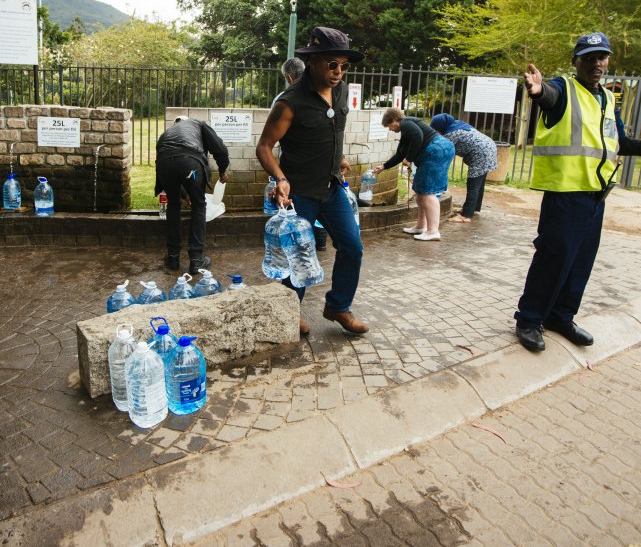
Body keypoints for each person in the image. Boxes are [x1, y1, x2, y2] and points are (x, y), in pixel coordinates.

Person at [515, 32, 641, 353]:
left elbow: (621, 141)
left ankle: (560, 316)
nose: (598, 63)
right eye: (590, 57)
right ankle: (529, 319)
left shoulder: (608, 99)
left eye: (603, 57)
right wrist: (539, 92)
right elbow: (549, 96)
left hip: (596, 196)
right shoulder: (564, 89)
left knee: (581, 260)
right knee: (554, 257)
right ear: (576, 61)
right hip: (566, 193)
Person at [256, 27, 368, 336]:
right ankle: (289, 313)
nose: (338, 71)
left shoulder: (342, 90)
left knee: (353, 247)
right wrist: (279, 178)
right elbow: (264, 146)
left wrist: (338, 158)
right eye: (332, 64)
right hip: (299, 193)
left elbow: (333, 130)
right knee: (297, 254)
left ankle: (338, 306)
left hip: (331, 189)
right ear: (314, 61)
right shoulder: (291, 101)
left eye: (343, 65)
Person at [155, 116, 230, 274]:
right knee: (199, 205)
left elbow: (170, 163)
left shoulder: (167, 133)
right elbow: (221, 150)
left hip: (164, 165)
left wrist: (183, 194)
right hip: (190, 163)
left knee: (173, 205)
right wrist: (222, 171)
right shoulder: (199, 124)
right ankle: (196, 260)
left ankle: (173, 257)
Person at [372, 107, 455, 241]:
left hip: (436, 152)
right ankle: (421, 226)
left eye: (389, 126)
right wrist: (383, 166)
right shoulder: (407, 130)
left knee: (428, 193)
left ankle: (433, 231)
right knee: (421, 192)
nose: (390, 129)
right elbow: (400, 154)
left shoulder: (405, 123)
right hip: (440, 150)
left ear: (394, 119)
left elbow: (418, 136)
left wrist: (409, 158)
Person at [430, 113, 497, 221]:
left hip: (481, 153)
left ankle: (466, 216)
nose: (436, 132)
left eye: (436, 129)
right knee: (478, 183)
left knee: (473, 184)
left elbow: (442, 150)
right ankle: (473, 208)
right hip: (489, 147)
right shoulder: (458, 125)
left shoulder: (452, 134)